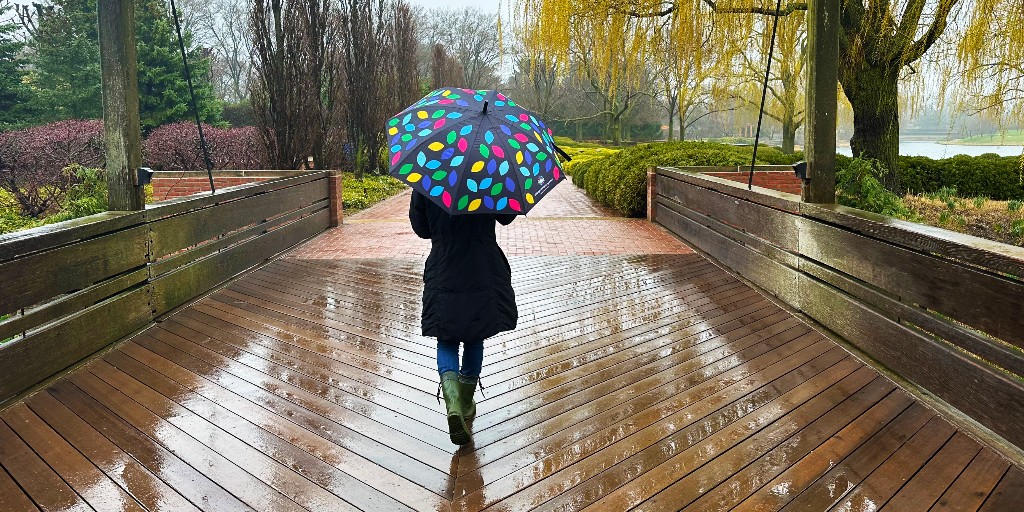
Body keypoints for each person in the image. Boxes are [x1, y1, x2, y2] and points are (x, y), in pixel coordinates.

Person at [409, 191, 518, 445]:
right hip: (481, 266)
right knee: (475, 334)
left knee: (446, 337)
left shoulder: (429, 180)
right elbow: (507, 217)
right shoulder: (489, 177)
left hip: (444, 266)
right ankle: (466, 402)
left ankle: (453, 403)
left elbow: (421, 228)